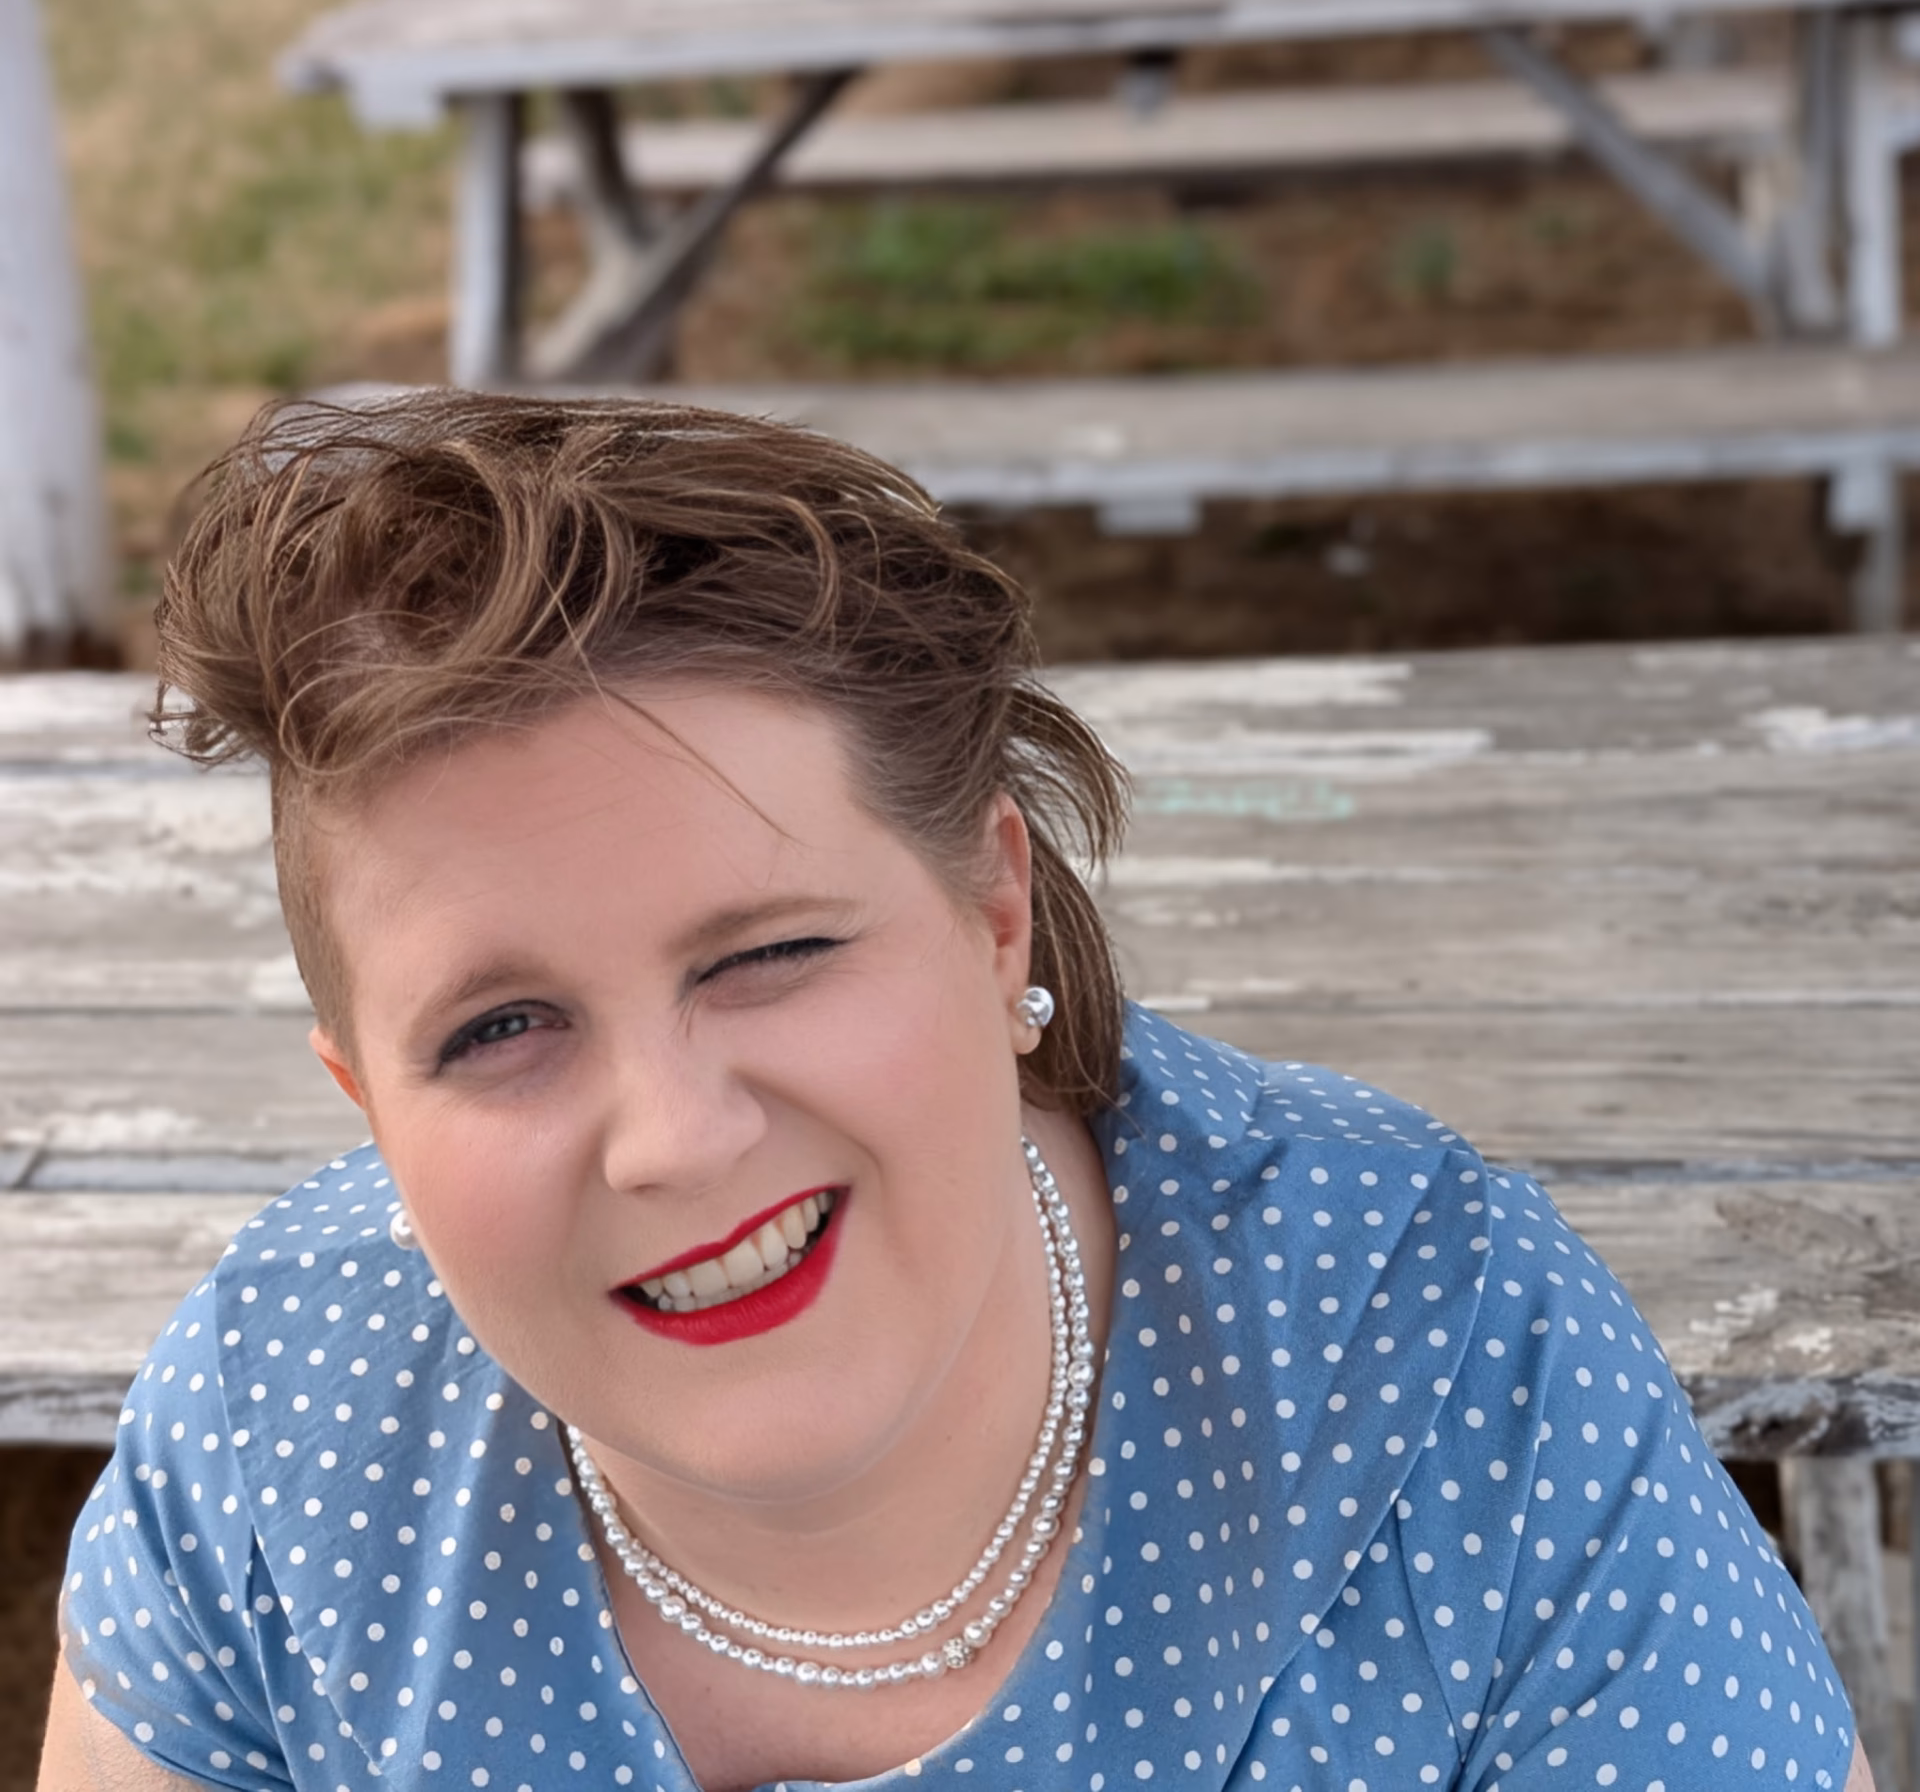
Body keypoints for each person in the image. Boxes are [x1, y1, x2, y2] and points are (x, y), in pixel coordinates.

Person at [40, 393, 1871, 1792]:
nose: (674, 1135)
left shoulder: (1441, 1355)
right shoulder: (276, 1437)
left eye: (767, 953)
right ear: (369, 1101)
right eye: (501, 1027)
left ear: (995, 915)